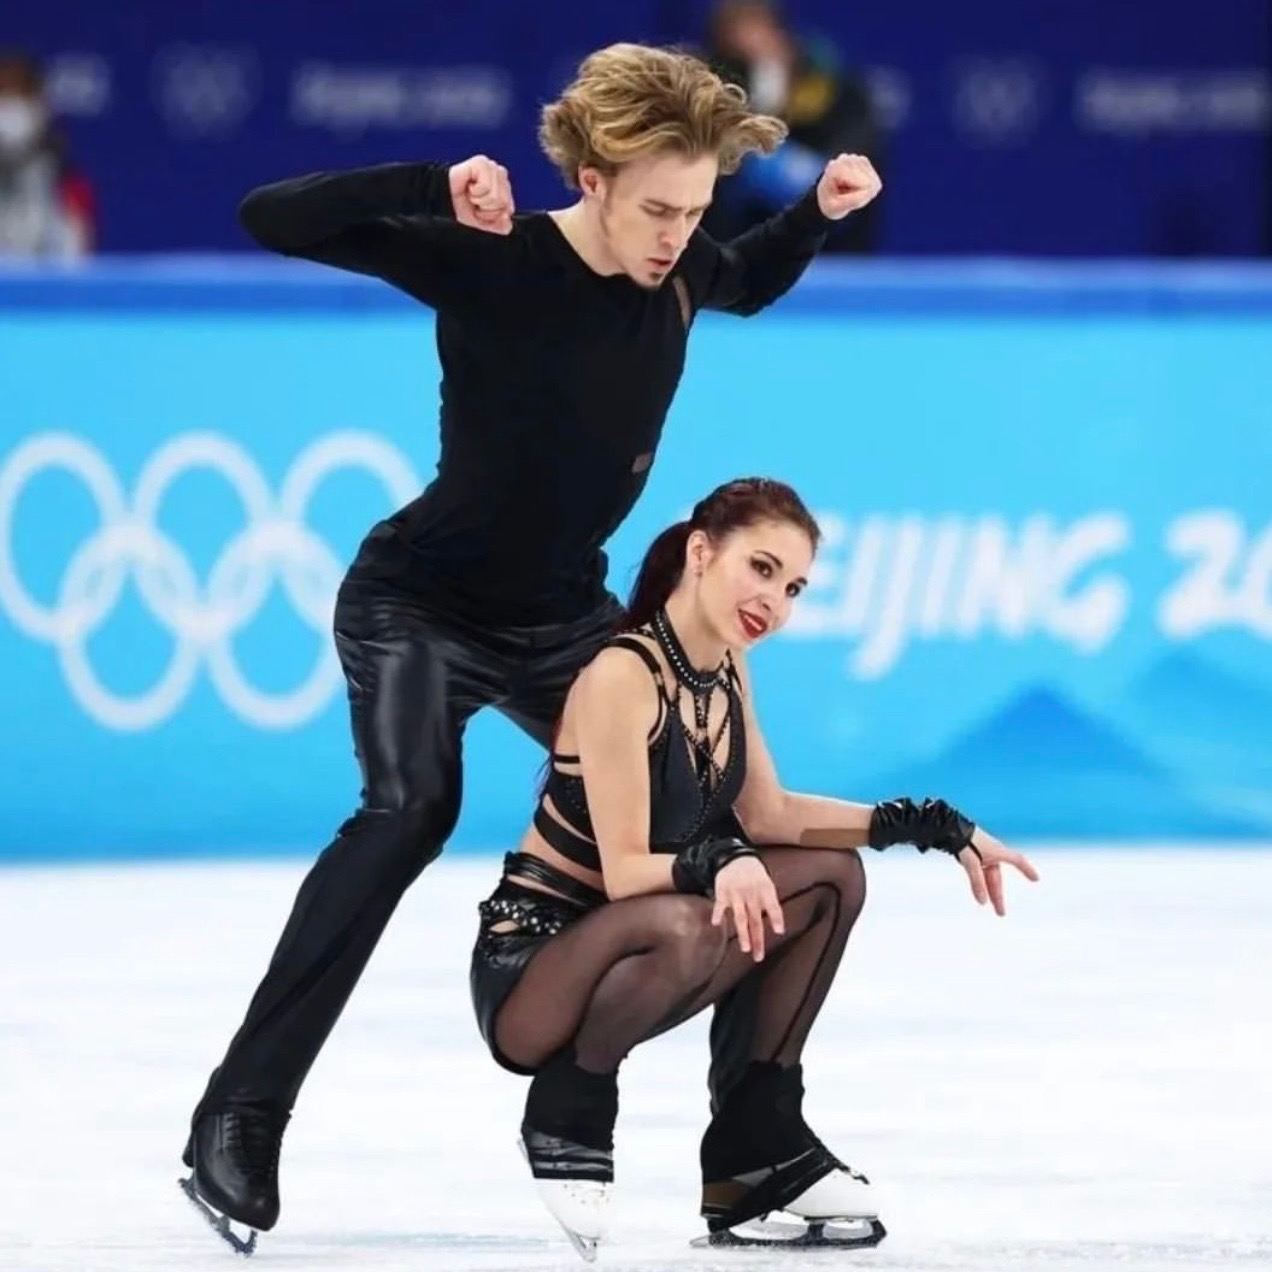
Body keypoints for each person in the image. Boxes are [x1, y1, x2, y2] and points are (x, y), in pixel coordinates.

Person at [180, 42, 883, 1253]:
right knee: (409, 812)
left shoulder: (681, 269)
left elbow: (748, 277)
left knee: (736, 823)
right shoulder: (494, 255)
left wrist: (815, 212)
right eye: (656, 210)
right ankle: (238, 1116)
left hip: (565, 617)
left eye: (694, 211)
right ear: (593, 179)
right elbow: (270, 216)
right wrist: (425, 184)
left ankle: (754, 1153)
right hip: (421, 604)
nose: (677, 237)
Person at [469, 477, 1039, 1257]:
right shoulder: (621, 676)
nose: (774, 601)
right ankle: (570, 1103)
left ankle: (754, 1149)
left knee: (833, 879)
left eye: (794, 587)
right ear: (702, 553)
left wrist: (933, 824)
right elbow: (628, 872)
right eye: (762, 569)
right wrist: (723, 858)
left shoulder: (726, 669)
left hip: (635, 957)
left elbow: (772, 817)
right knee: (686, 922)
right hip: (535, 972)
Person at [701, 0, 884, 253]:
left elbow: (858, 133)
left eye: (757, 29)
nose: (751, 42)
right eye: (737, 35)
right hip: (745, 220)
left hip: (824, 189)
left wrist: (819, 169)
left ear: (777, 31)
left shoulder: (826, 75)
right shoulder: (718, 78)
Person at [0, 50, 95, 258]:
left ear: (40, 101)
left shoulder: (71, 189)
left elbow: (76, 264)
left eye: (19, 94)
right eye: (3, 94)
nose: (8, 108)